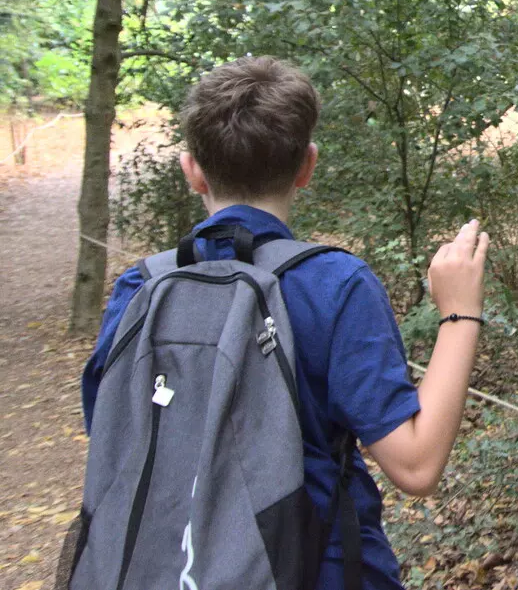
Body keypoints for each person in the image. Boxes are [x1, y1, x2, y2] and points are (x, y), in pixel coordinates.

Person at [80, 56, 489, 590]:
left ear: (192, 170)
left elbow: (111, 433)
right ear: (307, 166)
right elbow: (416, 465)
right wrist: (460, 315)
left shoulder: (140, 288)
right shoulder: (334, 284)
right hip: (317, 570)